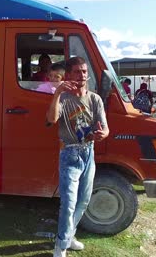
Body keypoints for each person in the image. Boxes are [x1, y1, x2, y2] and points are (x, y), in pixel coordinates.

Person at [46, 57, 109, 257]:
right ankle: (61, 245)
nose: (81, 75)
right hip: (69, 153)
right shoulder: (64, 98)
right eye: (77, 72)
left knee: (83, 200)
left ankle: (69, 236)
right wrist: (57, 92)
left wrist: (102, 134)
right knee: (69, 201)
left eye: (84, 71)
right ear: (69, 75)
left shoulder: (95, 99)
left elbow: (105, 128)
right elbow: (51, 119)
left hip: (88, 152)